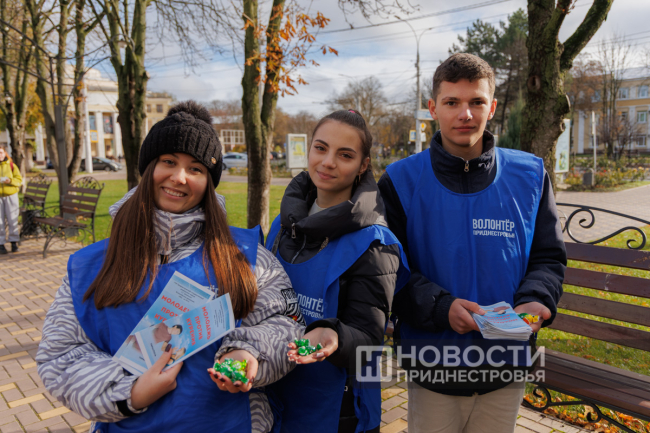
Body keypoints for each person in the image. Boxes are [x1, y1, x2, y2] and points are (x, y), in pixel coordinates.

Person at [37, 101, 304, 433]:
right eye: (168, 162)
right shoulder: (89, 266)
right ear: (149, 167)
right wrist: (130, 392)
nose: (179, 178)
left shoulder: (245, 256)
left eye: (196, 169)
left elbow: (287, 323)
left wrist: (248, 352)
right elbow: (61, 356)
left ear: (208, 181)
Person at [377, 53, 566, 433]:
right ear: (433, 108)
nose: (465, 114)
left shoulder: (530, 175)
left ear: (492, 107)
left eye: (477, 102)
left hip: (505, 364)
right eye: (452, 102)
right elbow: (387, 271)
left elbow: (548, 256)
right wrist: (440, 307)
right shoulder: (400, 180)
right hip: (434, 366)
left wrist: (537, 298)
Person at [265, 110, 409, 433]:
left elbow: (368, 337)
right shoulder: (281, 226)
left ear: (363, 165)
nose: (328, 162)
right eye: (321, 148)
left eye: (345, 155)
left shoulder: (375, 244)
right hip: (275, 397)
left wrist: (335, 337)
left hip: (339, 411)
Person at [0, 144, 22, 254]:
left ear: (5, 153)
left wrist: (10, 181)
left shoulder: (12, 165)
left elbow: (19, 180)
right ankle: (1, 244)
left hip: (11, 196)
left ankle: (14, 242)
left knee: (12, 219)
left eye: (0, 152)